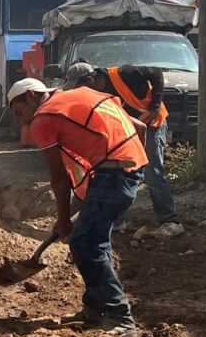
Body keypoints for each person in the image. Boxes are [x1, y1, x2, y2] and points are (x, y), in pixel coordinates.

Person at [8, 77, 149, 337]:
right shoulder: (80, 96)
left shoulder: (43, 118)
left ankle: (121, 318)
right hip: (123, 170)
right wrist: (130, 167)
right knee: (96, 242)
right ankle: (94, 310)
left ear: (30, 96)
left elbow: (59, 177)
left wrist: (63, 219)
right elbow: (139, 127)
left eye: (20, 112)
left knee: (85, 243)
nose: (23, 121)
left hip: (112, 175)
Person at [63, 61, 183, 237]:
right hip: (127, 129)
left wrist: (155, 107)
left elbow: (156, 72)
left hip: (151, 125)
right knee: (118, 171)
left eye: (79, 86)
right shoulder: (95, 93)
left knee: (152, 173)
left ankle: (170, 221)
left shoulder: (124, 74)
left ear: (90, 79)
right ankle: (117, 221)